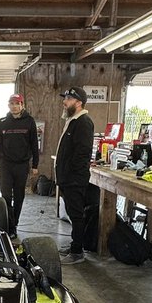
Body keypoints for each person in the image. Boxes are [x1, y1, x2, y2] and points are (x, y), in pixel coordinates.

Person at [55, 86, 95, 264]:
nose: (65, 102)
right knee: (72, 213)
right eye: (65, 99)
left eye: (69, 99)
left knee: (77, 214)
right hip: (67, 178)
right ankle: (74, 244)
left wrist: (71, 176)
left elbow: (82, 153)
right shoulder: (72, 120)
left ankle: (77, 252)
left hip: (74, 179)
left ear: (79, 103)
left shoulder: (83, 122)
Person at [0, 93, 39, 234]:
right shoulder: (2, 123)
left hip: (22, 165)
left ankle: (14, 224)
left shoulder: (29, 121)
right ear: (8, 106)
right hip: (6, 165)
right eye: (11, 104)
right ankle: (9, 225)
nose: (14, 106)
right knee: (6, 196)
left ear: (22, 105)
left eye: (17, 104)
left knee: (19, 196)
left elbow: (34, 145)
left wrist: (35, 166)